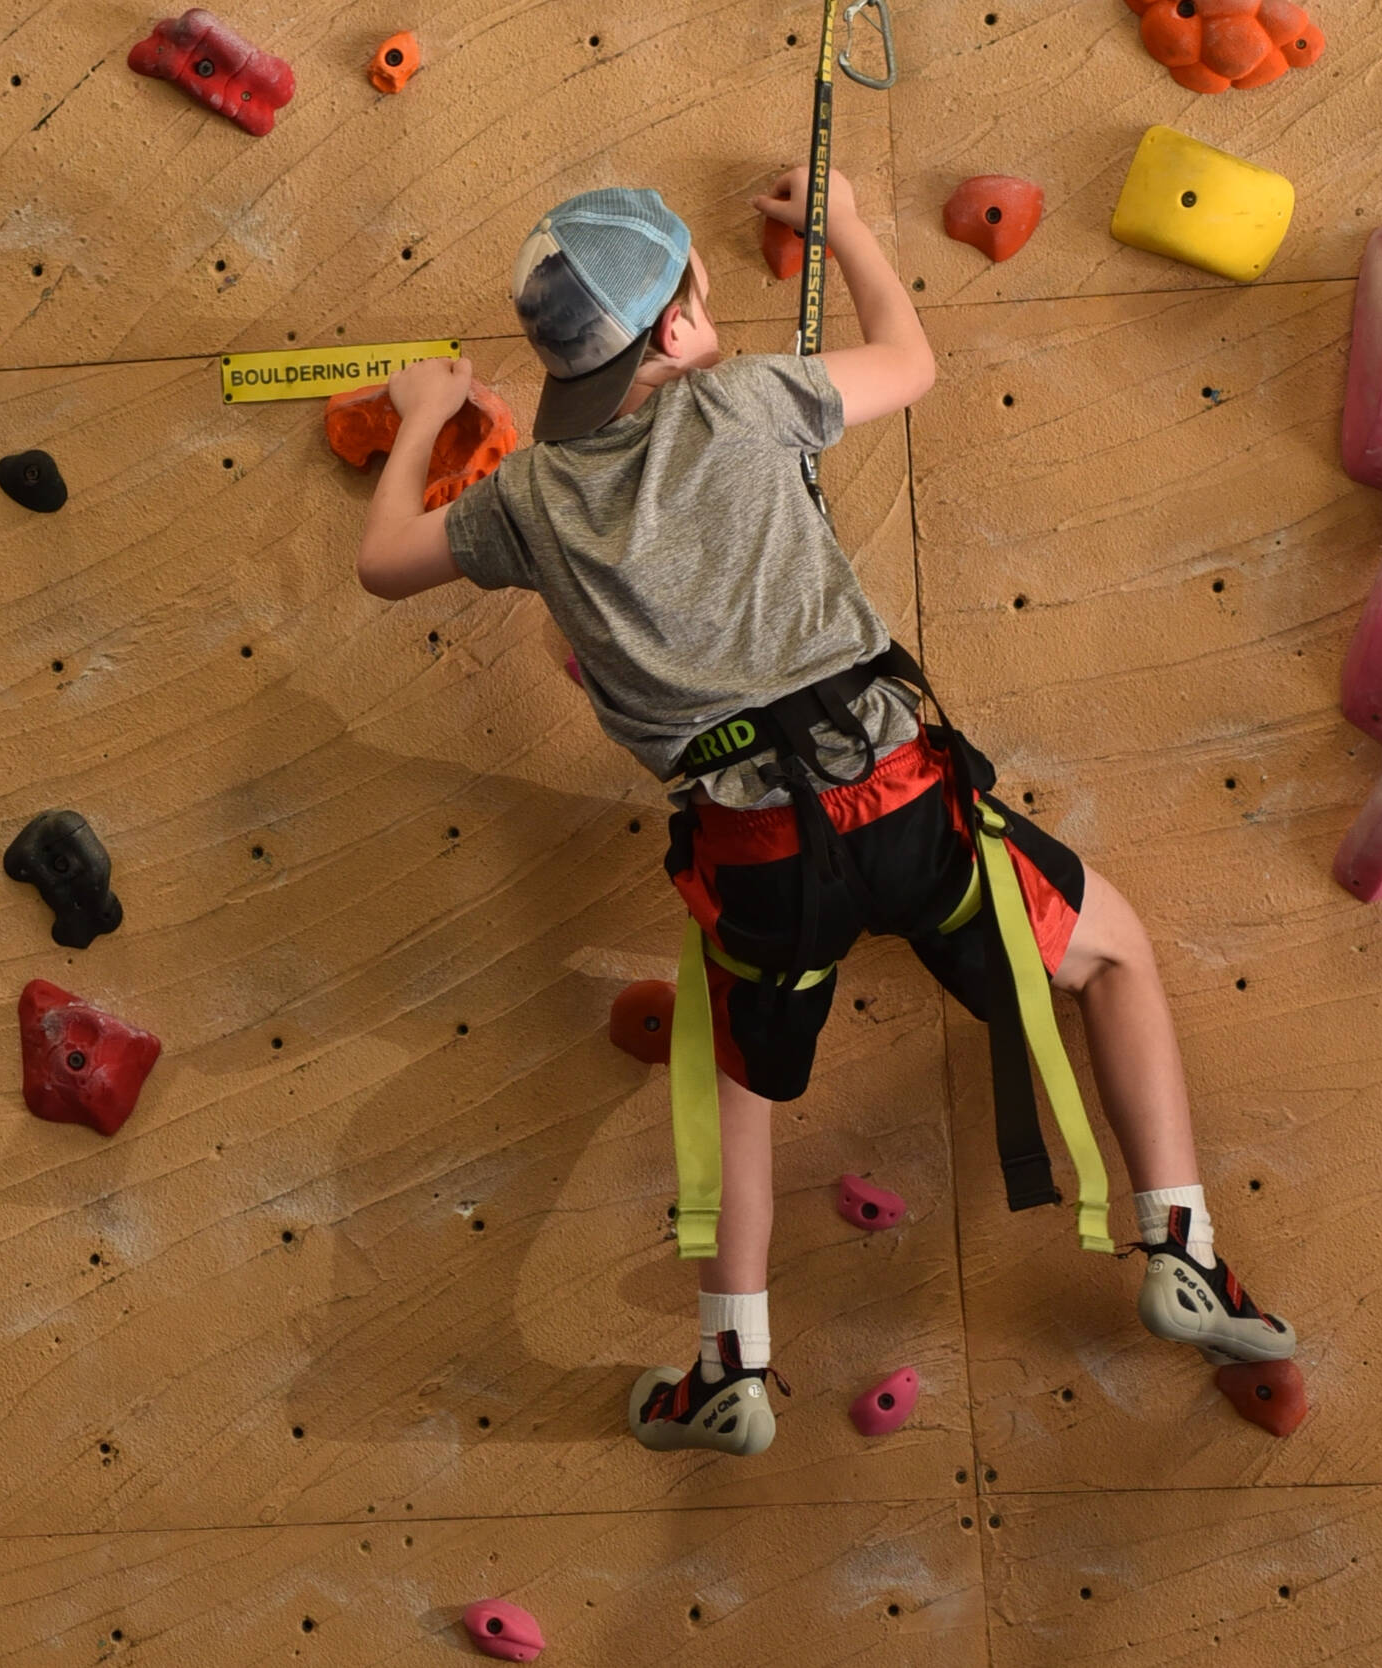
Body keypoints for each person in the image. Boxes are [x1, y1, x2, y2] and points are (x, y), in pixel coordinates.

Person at [354, 175, 1297, 1456]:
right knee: (1115, 953)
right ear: (681, 330)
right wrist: (843, 222)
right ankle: (1181, 1243)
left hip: (753, 857)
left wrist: (422, 417)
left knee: (740, 1085)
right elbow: (908, 360)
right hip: (903, 800)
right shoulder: (746, 401)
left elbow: (382, 563)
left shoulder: (526, 502)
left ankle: (731, 1367)